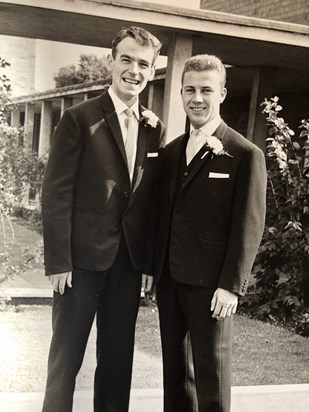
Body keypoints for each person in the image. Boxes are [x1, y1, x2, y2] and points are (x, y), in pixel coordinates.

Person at [41, 26, 165, 412]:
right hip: (78, 265)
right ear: (111, 62)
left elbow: (149, 201)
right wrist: (59, 260)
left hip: (127, 265)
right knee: (66, 362)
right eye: (126, 59)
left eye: (143, 64)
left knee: (116, 363)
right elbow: (56, 193)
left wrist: (146, 262)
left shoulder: (154, 127)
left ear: (151, 70)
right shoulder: (79, 118)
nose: (134, 70)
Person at [154, 54, 267, 412]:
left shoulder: (244, 154)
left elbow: (248, 224)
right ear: (181, 93)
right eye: (189, 90)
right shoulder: (171, 152)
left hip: (213, 287)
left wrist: (232, 285)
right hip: (170, 280)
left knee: (212, 377)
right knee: (174, 374)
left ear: (222, 93)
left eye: (206, 89)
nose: (197, 98)